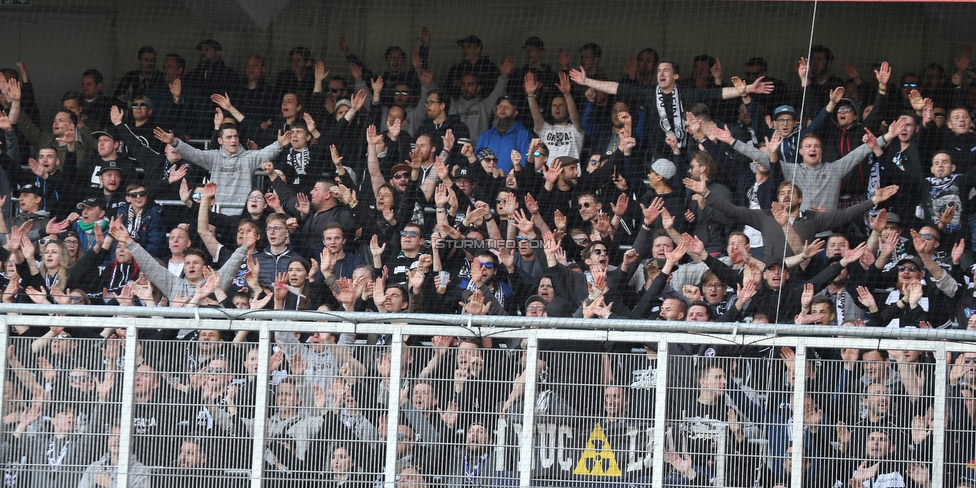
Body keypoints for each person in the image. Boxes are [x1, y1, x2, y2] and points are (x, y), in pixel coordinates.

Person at [154, 123, 291, 216]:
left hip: (242, 213)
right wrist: (174, 142)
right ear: (220, 140)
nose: (233, 140)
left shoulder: (248, 157)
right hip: (217, 213)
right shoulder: (213, 157)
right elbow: (194, 154)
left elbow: (265, 153)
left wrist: (279, 144)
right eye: (229, 137)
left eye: (235, 136)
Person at [525, 71, 584, 161]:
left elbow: (575, 117)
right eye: (554, 105)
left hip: (571, 173)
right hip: (548, 174)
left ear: (568, 110)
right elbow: (536, 116)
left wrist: (567, 94)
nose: (557, 108)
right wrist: (530, 95)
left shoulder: (575, 129)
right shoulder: (546, 129)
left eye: (561, 105)